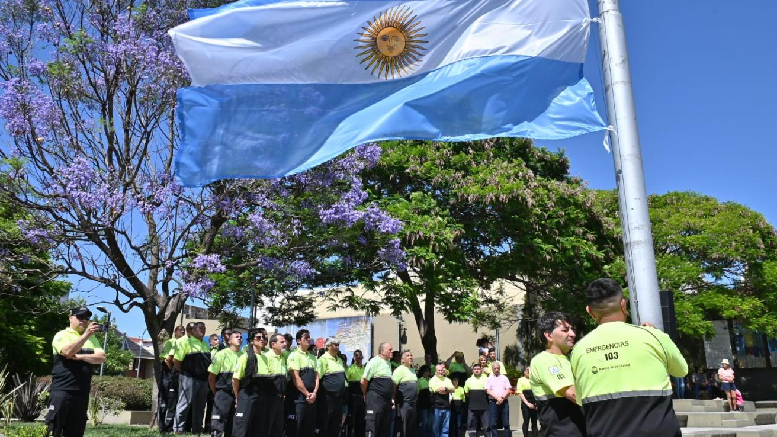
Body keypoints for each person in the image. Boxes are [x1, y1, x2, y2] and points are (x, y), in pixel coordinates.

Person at [570, 278, 688, 437]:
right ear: (623, 304)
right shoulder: (653, 336)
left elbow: (580, 398)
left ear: (590, 311)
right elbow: (681, 370)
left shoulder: (579, 349)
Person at [45, 306, 106, 437]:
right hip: (62, 390)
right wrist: (86, 335)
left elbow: (101, 358)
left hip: (82, 392)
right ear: (71, 318)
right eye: (80, 317)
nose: (84, 320)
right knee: (54, 429)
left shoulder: (93, 339)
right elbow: (67, 352)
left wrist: (80, 357)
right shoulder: (61, 335)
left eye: (86, 318)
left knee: (76, 431)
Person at [529, 312, 585, 437]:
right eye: (565, 330)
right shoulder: (543, 360)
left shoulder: (571, 358)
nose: (572, 334)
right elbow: (574, 394)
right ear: (549, 335)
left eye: (572, 329)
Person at [174, 321, 211, 434]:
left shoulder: (205, 344)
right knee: (184, 404)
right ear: (193, 331)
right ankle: (178, 429)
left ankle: (197, 430)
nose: (203, 330)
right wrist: (185, 373)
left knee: (200, 407)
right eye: (200, 328)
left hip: (203, 380)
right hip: (189, 378)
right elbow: (177, 361)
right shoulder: (186, 343)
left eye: (204, 328)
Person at [231, 329, 268, 437]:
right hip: (247, 394)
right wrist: (238, 397)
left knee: (258, 427)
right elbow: (235, 379)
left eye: (263, 337)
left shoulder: (265, 358)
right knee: (242, 426)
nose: (261, 339)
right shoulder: (245, 357)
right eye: (258, 337)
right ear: (251, 341)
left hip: (261, 396)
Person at [208, 330, 243, 437]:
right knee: (218, 421)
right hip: (223, 393)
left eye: (241, 337)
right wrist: (217, 392)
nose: (240, 338)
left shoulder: (244, 355)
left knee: (233, 424)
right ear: (229, 341)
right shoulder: (221, 354)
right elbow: (212, 377)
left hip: (238, 394)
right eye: (236, 336)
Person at [288, 329, 320, 437]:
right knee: (296, 428)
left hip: (312, 398)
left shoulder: (312, 357)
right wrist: (307, 394)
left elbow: (316, 376)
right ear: (298, 341)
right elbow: (296, 378)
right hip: (299, 399)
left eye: (309, 337)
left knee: (309, 429)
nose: (308, 339)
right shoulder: (294, 355)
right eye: (305, 337)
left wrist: (314, 392)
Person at [361, 342, 394, 437]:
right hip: (375, 399)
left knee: (385, 427)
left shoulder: (388, 363)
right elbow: (363, 381)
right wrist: (365, 394)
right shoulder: (374, 362)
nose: (392, 352)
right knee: (372, 426)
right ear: (382, 351)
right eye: (390, 350)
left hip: (386, 401)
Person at [318, 337, 347, 437]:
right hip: (327, 399)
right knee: (325, 424)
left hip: (338, 399)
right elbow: (317, 378)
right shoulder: (323, 360)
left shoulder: (339, 360)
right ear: (328, 346)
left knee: (336, 425)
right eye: (335, 344)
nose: (337, 347)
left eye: (338, 344)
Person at [392, 350, 418, 437]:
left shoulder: (412, 370)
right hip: (404, 404)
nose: (410, 357)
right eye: (408, 356)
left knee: (411, 427)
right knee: (402, 427)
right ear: (402, 360)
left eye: (411, 355)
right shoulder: (399, 370)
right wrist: (393, 399)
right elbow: (393, 385)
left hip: (413, 403)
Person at [485, 362, 511, 437]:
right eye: (495, 368)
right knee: (493, 423)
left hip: (504, 402)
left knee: (506, 423)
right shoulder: (489, 379)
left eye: (498, 368)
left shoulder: (504, 378)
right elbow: (488, 390)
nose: (496, 370)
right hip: (493, 402)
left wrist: (502, 398)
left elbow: (508, 389)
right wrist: (497, 398)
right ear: (492, 369)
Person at [463, 362, 490, 437]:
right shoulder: (468, 380)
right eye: (475, 369)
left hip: (484, 407)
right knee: (471, 427)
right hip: (472, 407)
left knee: (486, 427)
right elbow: (466, 393)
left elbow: (489, 391)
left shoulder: (486, 379)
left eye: (478, 369)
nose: (477, 370)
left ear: (481, 370)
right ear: (472, 370)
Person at [429, 363, 454, 437]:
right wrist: (448, 390)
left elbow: (453, 389)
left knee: (445, 429)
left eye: (441, 370)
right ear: (435, 372)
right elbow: (438, 391)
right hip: (436, 408)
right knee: (435, 429)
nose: (440, 372)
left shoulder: (447, 380)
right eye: (438, 370)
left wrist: (445, 389)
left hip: (446, 407)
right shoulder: (432, 380)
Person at [346, 350, 366, 437]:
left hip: (363, 396)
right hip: (353, 396)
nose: (359, 358)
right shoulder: (350, 368)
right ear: (354, 357)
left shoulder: (365, 369)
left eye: (360, 356)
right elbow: (346, 381)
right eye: (357, 356)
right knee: (351, 419)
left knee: (361, 419)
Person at [516, 366, 537, 437]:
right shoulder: (521, 380)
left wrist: (536, 404)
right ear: (524, 371)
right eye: (527, 370)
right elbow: (520, 393)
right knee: (526, 421)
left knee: (534, 422)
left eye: (530, 370)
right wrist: (527, 403)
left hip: (535, 403)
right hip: (526, 403)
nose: (528, 371)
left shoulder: (535, 379)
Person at [417, 365, 433, 437]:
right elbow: (417, 393)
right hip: (423, 404)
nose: (427, 372)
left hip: (431, 404)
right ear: (422, 372)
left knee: (430, 422)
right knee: (425, 422)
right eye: (425, 371)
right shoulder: (419, 380)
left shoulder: (432, 380)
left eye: (428, 371)